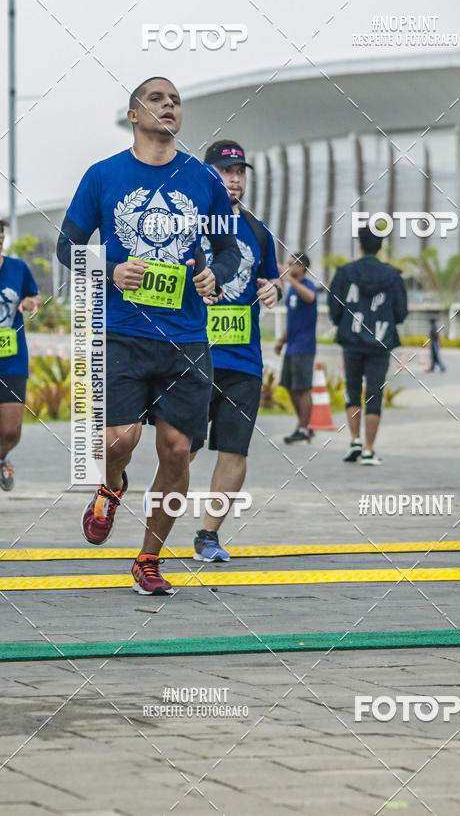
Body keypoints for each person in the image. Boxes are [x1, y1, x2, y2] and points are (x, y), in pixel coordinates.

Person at [57, 76, 240, 595]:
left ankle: (148, 559)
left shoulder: (203, 179)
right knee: (119, 439)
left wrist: (215, 275)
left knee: (177, 451)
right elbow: (66, 247)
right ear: (134, 114)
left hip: (187, 338)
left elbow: (228, 250)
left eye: (175, 100)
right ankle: (112, 486)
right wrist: (110, 269)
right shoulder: (103, 175)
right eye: (156, 99)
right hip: (121, 332)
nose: (168, 105)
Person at [143, 139, 281, 562]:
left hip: (243, 359)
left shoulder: (259, 231)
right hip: (191, 355)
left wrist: (273, 290)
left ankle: (208, 535)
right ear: (208, 176)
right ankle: (157, 523)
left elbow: (271, 279)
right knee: (182, 448)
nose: (234, 179)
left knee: (235, 448)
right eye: (225, 171)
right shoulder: (184, 224)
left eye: (239, 172)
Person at [328, 226, 407, 465]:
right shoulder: (393, 276)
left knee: (352, 390)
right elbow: (401, 311)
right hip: (380, 342)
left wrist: (345, 323)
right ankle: (370, 450)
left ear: (360, 245)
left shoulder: (345, 273)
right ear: (380, 246)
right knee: (375, 393)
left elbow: (334, 308)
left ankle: (354, 441)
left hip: (351, 340)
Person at [0, 219, 41, 490]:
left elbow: (35, 297)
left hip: (12, 359)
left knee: (10, 432)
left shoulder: (18, 268)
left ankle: (2, 457)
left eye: (0, 233)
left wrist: (30, 302)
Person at [275, 252, 317, 444]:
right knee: (291, 387)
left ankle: (303, 428)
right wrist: (281, 340)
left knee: (303, 388)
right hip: (291, 346)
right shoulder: (292, 290)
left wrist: (290, 279)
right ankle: (304, 425)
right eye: (288, 263)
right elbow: (292, 319)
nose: (288, 266)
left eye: (292, 263)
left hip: (304, 347)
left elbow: (310, 297)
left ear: (302, 267)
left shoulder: (306, 286)